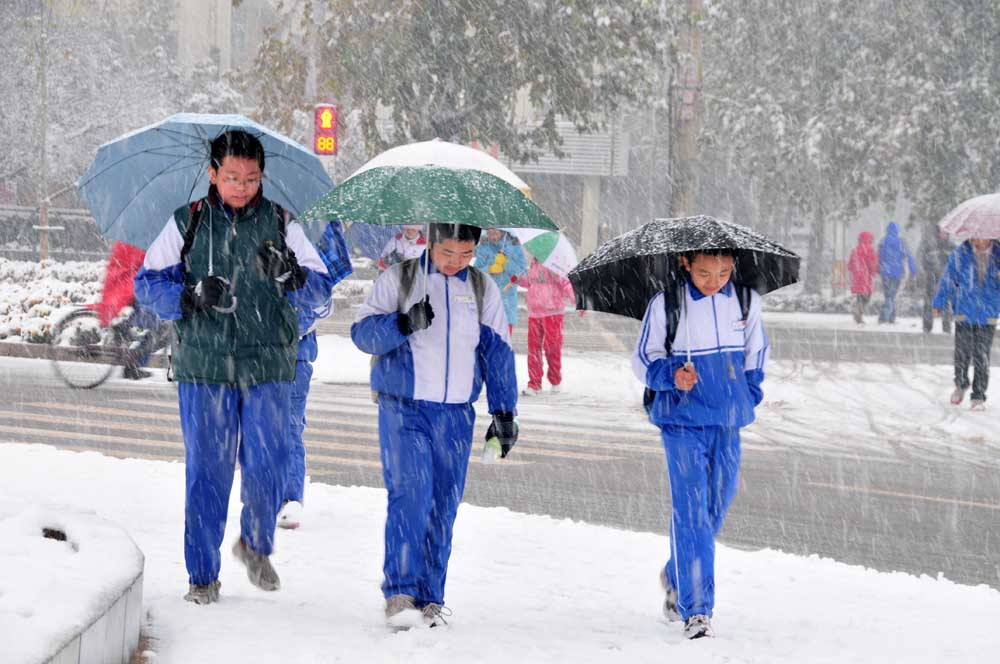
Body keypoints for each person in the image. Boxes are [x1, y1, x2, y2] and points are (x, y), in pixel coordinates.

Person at [134, 130, 334, 604]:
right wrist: (187, 295)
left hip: (268, 363)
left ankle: (255, 544)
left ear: (262, 176)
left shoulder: (283, 223)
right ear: (212, 173)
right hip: (205, 368)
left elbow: (321, 289)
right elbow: (147, 283)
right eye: (232, 177)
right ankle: (202, 576)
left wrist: (292, 274)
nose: (242, 187)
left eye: (251, 178)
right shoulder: (188, 223)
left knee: (268, 465)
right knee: (207, 472)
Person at [351, 222, 519, 629]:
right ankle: (400, 593)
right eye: (448, 253)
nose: (455, 262)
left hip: (456, 414)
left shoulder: (482, 290)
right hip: (405, 408)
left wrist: (504, 412)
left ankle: (430, 597)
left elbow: (497, 353)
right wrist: (403, 323)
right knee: (412, 495)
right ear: (431, 242)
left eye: (465, 254)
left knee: (443, 504)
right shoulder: (400, 278)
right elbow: (361, 334)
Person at [632, 249, 768, 640]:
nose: (715, 281)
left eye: (724, 272)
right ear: (685, 264)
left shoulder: (745, 302)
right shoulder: (667, 304)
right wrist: (673, 374)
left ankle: (677, 573)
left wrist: (748, 392)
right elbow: (643, 358)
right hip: (681, 421)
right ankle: (697, 609)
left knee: (715, 508)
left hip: (727, 420)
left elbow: (756, 353)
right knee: (691, 512)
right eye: (705, 272)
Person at [277, 221, 353, 530]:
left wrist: (296, 286)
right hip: (254, 349)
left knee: (289, 426)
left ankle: (289, 499)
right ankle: (260, 493)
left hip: (296, 351)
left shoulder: (312, 229)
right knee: (257, 426)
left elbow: (324, 304)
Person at [932, 238, 1000, 410]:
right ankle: (961, 383)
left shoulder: (998, 255)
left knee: (981, 354)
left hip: (988, 312)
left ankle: (978, 396)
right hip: (964, 310)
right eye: (973, 234)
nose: (975, 238)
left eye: (980, 235)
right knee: (962, 353)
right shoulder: (960, 254)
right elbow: (948, 280)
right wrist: (939, 303)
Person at [94, 241, 161, 379]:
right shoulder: (143, 241)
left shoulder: (130, 238)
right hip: (129, 285)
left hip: (127, 283)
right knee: (155, 325)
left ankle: (133, 361)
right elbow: (147, 263)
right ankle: (133, 364)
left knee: (154, 325)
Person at [521, 257, 578, 396]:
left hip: (552, 312)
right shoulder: (535, 262)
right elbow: (531, 282)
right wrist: (517, 278)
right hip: (534, 312)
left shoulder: (556, 263)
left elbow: (566, 283)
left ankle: (555, 379)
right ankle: (534, 384)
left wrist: (577, 299)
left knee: (552, 347)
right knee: (533, 350)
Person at [475, 227, 528, 336]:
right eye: (489, 232)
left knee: (504, 343)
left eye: (495, 232)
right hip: (487, 302)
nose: (492, 236)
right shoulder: (483, 248)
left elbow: (523, 274)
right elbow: (475, 273)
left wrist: (506, 263)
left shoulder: (514, 247)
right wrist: (489, 269)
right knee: (486, 343)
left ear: (503, 231)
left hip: (507, 303)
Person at [877, 221, 918, 324]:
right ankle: (884, 316)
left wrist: (879, 269)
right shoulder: (901, 242)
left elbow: (879, 257)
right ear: (897, 231)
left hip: (885, 272)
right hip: (896, 272)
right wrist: (913, 270)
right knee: (892, 295)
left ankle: (891, 317)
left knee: (888, 295)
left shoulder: (882, 241)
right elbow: (909, 256)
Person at [918, 227, 954, 333]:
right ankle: (927, 325)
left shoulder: (952, 246)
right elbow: (924, 258)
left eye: (945, 232)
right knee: (929, 302)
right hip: (931, 276)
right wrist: (927, 269)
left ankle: (946, 326)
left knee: (946, 302)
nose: (943, 235)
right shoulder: (930, 245)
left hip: (946, 278)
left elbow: (957, 261)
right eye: (942, 232)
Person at [847, 231, 878, 325]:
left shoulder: (855, 250)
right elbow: (871, 264)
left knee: (860, 297)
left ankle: (857, 312)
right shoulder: (869, 250)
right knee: (866, 298)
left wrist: (855, 272)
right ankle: (858, 314)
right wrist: (873, 273)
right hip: (866, 276)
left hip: (857, 277)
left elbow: (850, 265)